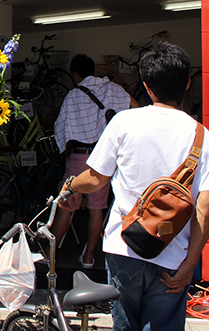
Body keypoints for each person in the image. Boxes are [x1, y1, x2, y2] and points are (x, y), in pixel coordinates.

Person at [56, 42, 209, 331]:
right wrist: (189, 266)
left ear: (145, 85)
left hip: (125, 250)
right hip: (173, 255)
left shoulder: (125, 123)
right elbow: (205, 208)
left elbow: (95, 178)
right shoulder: (205, 138)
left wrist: (70, 184)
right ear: (188, 83)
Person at [52, 54, 138, 268]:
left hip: (80, 156)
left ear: (75, 74)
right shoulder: (114, 90)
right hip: (104, 158)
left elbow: (60, 127)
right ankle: (89, 257)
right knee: (96, 208)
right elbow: (136, 109)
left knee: (66, 204)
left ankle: (49, 255)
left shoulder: (73, 95)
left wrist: (63, 149)